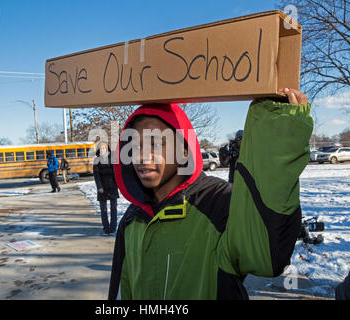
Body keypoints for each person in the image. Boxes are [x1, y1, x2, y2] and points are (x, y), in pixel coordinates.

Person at [108, 88, 312, 300]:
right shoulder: (132, 221)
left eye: (156, 144)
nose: (142, 156)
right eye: (135, 146)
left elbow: (266, 258)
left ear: (184, 150)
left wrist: (279, 130)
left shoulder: (219, 203)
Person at [93, 143, 119, 235]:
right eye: (101, 148)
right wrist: (99, 187)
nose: (102, 150)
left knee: (113, 208)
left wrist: (118, 184)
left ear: (107, 148)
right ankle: (106, 228)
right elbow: (96, 175)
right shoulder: (96, 160)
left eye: (104, 148)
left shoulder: (112, 159)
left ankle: (113, 228)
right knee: (103, 209)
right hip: (102, 188)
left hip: (112, 187)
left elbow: (116, 173)